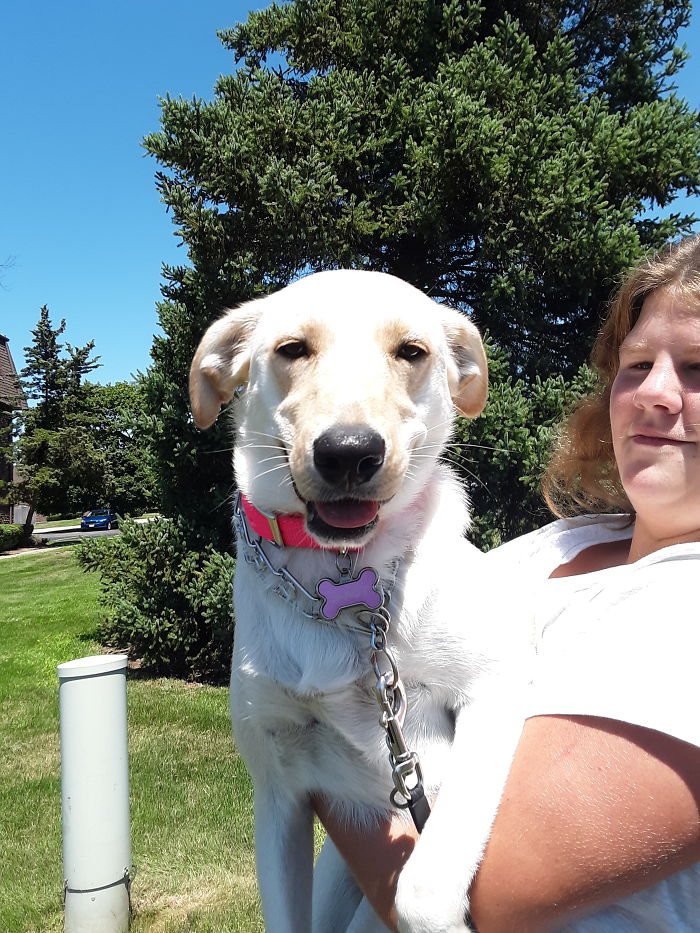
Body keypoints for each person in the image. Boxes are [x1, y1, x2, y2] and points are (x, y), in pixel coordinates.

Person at [316, 233, 700, 931]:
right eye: (638, 363)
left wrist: (308, 729)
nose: (654, 394)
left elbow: (490, 889)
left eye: (699, 368)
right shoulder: (561, 545)